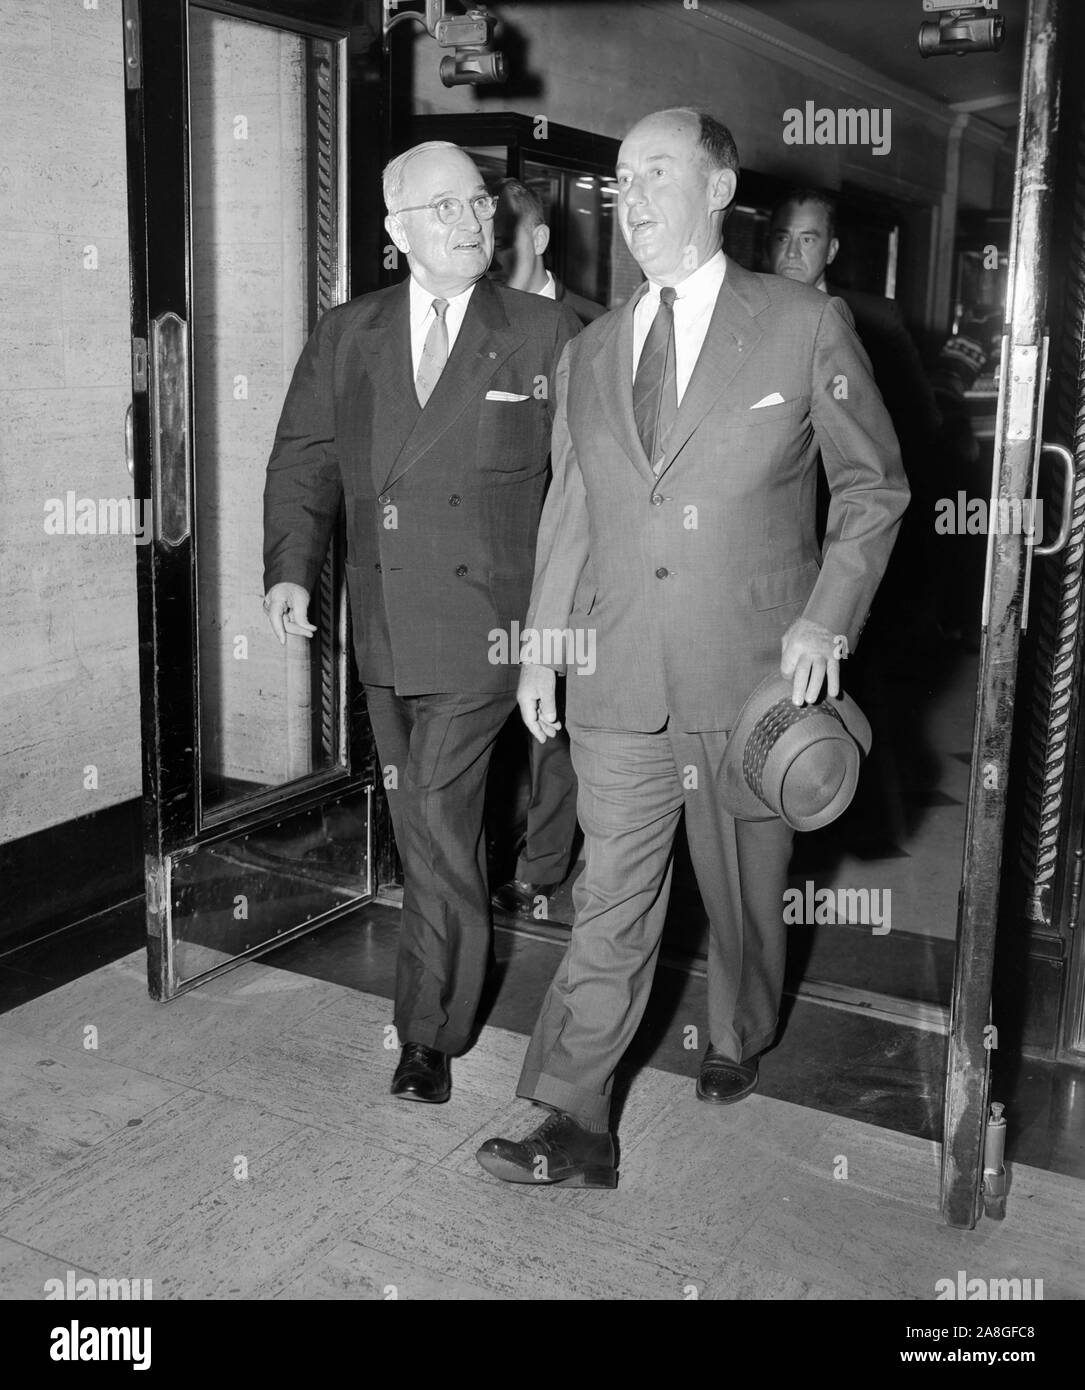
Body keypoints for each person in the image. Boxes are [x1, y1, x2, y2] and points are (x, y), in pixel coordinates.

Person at [475, 108, 909, 1187]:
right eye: (620, 179)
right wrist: (540, 648)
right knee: (609, 900)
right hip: (618, 674)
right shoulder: (586, 352)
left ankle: (739, 1030)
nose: (632, 197)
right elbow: (569, 512)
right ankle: (568, 1116)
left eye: (657, 172)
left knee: (743, 897)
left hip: (754, 685)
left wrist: (826, 616)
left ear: (718, 188)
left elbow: (873, 487)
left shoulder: (803, 323)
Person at [263, 140, 580, 1106]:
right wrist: (291, 570)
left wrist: (556, 634)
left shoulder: (542, 329)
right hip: (386, 621)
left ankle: (428, 1032)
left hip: (488, 626)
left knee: (438, 821)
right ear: (398, 234)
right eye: (445, 209)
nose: (473, 221)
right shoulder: (347, 333)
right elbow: (305, 455)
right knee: (422, 820)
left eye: (478, 203)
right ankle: (436, 1002)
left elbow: (578, 491)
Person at [767, 190, 941, 656]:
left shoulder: (876, 318)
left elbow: (920, 417)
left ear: (832, 249)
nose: (792, 253)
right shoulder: (750, 315)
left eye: (808, 239)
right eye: (782, 237)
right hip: (775, 531)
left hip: (850, 516)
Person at [487, 179, 588, 918]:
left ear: (541, 240)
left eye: (504, 238)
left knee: (553, 722)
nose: (488, 253)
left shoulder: (588, 333)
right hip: (486, 564)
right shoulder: (470, 327)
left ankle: (543, 862)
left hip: (565, 561)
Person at [488, 177, 606, 325]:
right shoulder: (473, 320)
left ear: (539, 240)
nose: (489, 262)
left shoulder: (596, 324)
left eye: (499, 245)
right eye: (480, 248)